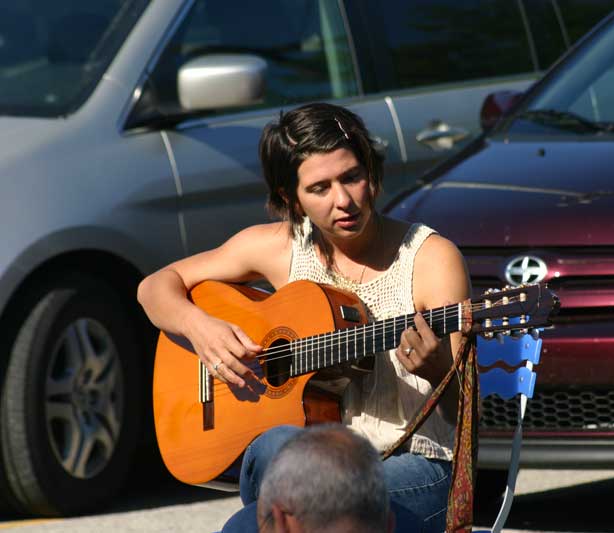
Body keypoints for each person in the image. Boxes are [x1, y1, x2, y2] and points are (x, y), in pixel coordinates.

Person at [137, 102, 470, 532]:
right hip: (313, 461)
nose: (344, 200)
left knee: (253, 524)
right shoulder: (277, 247)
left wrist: (440, 370)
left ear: (372, 171)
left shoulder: (430, 259)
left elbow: (467, 417)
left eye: (352, 176)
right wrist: (202, 329)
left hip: (415, 465)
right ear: (288, 198)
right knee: (277, 446)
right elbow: (154, 287)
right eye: (320, 188)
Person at [223, 424, 394, 533]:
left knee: (246, 524)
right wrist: (208, 364)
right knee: (274, 445)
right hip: (339, 420)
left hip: (408, 445)